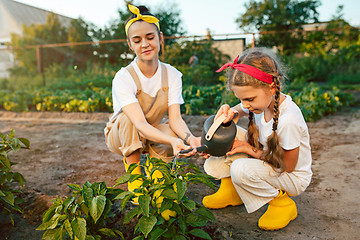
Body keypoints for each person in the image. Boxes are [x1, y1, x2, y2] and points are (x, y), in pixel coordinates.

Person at [202, 48, 312, 231]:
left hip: (291, 176)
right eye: (240, 99)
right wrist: (227, 113)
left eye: (249, 99)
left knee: (241, 168)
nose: (245, 105)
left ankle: (281, 203)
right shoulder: (261, 101)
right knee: (231, 133)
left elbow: (288, 165)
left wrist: (248, 149)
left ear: (272, 87)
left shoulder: (288, 119)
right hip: (272, 159)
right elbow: (237, 112)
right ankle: (231, 191)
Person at [104, 4, 199, 204]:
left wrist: (190, 138)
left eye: (150, 37)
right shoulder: (124, 77)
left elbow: (175, 119)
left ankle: (158, 176)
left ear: (160, 38)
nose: (145, 44)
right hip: (121, 135)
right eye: (137, 40)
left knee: (174, 132)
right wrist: (172, 142)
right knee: (128, 119)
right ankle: (135, 177)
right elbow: (138, 124)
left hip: (152, 131)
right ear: (130, 44)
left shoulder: (172, 74)